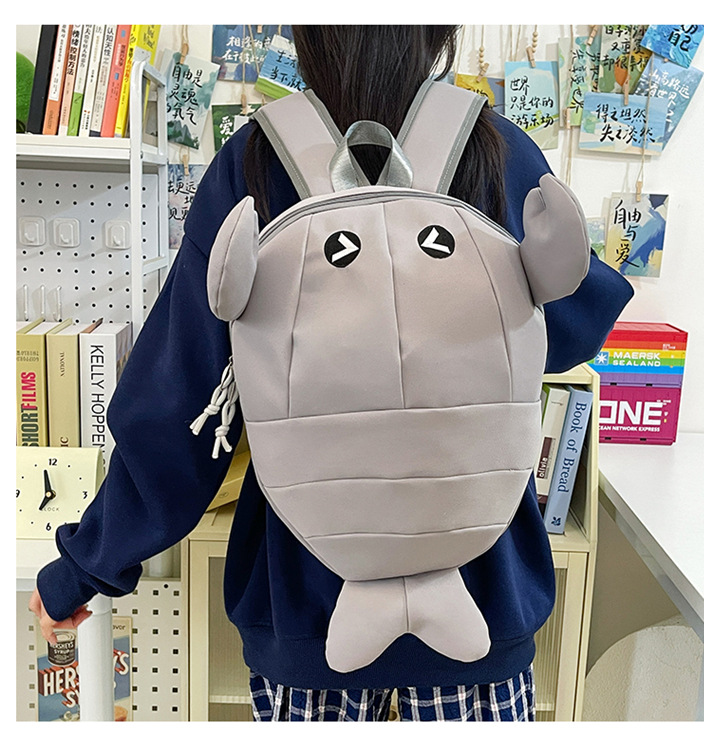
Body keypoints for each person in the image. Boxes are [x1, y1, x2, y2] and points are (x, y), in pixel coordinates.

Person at [29, 25, 633, 722]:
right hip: (481, 601)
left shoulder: (255, 163)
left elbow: (180, 407)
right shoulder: (493, 149)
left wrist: (86, 565)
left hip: (307, 610)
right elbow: (572, 329)